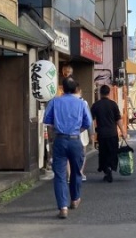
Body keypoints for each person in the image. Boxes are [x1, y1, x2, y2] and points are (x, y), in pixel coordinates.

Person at [43, 76, 92, 219]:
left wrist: (57, 130)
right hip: (75, 140)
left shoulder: (54, 101)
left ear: (62, 89)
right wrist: (77, 131)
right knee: (76, 171)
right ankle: (75, 199)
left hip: (59, 140)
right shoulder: (81, 103)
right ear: (76, 89)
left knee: (59, 175)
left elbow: (47, 121)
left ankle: (63, 207)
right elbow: (87, 123)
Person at [91, 84, 124, 183]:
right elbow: (118, 119)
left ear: (100, 93)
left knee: (103, 153)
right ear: (109, 93)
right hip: (112, 133)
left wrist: (92, 133)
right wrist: (122, 131)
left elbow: (91, 120)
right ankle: (110, 167)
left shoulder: (96, 105)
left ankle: (106, 170)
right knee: (112, 152)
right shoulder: (113, 104)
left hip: (101, 134)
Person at [74, 85, 93, 181]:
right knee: (82, 153)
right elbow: (88, 120)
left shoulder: (62, 101)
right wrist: (91, 133)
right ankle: (80, 172)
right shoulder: (83, 103)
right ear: (80, 91)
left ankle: (70, 175)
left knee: (70, 156)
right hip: (81, 131)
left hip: (68, 131)